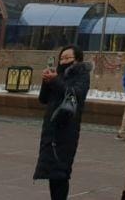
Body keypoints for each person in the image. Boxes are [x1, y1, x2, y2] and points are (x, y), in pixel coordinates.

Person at [33, 45, 92, 200]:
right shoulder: (58, 75)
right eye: (62, 58)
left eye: (68, 58)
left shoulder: (82, 75)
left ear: (77, 59)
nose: (64, 61)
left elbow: (75, 94)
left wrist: (56, 81)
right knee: (52, 171)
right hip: (51, 129)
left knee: (61, 172)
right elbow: (43, 99)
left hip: (67, 129)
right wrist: (47, 82)